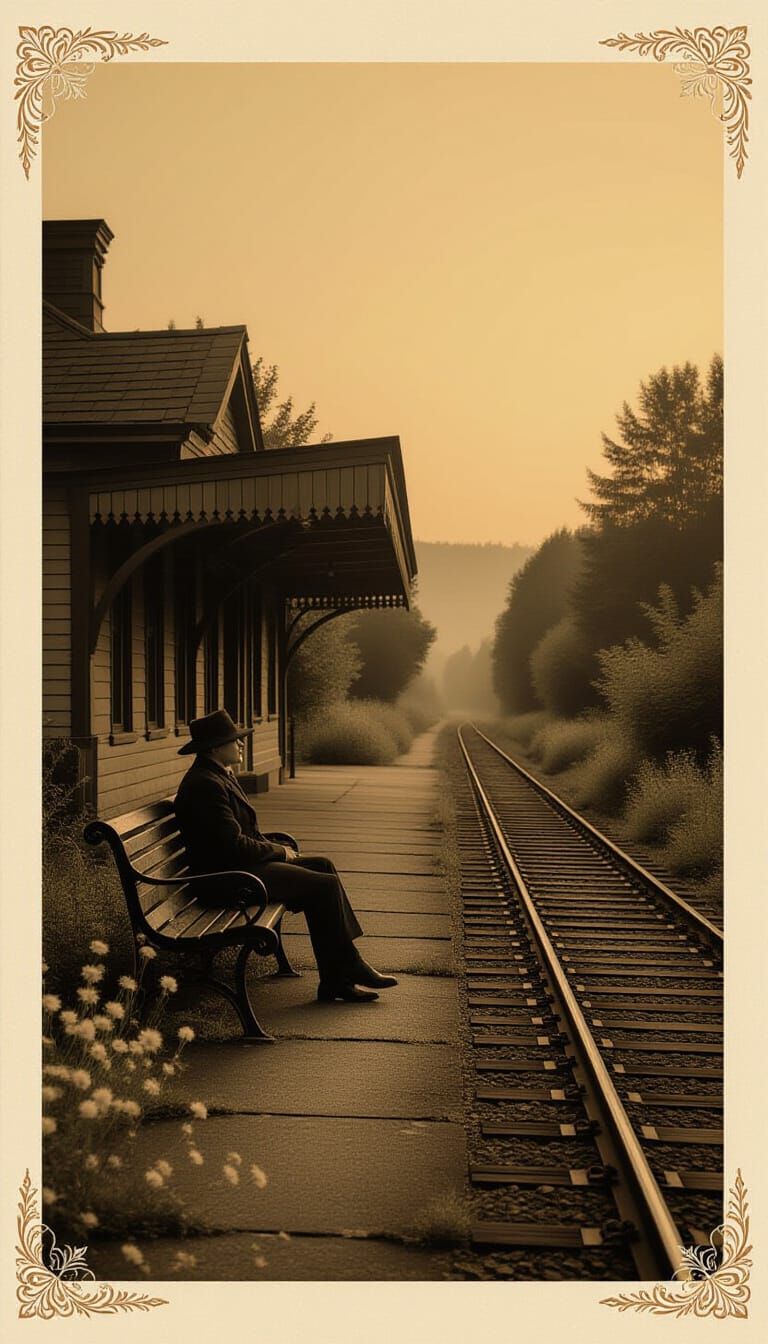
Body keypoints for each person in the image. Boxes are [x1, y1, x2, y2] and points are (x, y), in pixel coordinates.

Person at [174, 709, 398, 1003]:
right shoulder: (206, 784)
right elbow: (234, 846)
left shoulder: (217, 776)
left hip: (239, 868)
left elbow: (243, 838)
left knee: (322, 866)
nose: (241, 745)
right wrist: (281, 852)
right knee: (324, 886)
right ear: (216, 747)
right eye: (234, 740)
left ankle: (339, 975)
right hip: (227, 879)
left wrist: (277, 851)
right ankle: (344, 971)